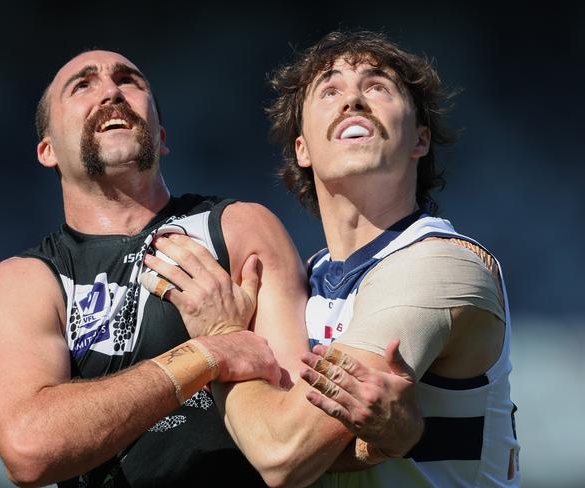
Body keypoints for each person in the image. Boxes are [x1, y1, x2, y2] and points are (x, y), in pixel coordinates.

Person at [144, 30, 520, 487]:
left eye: (377, 86)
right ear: (302, 148)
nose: (354, 100)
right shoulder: (310, 277)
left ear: (420, 140)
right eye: (330, 90)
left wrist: (223, 338)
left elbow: (282, 452)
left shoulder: (442, 266)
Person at [0, 49, 309, 487]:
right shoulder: (22, 283)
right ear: (47, 149)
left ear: (162, 136)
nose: (111, 91)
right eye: (83, 85)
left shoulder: (237, 229)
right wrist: (209, 354)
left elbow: (296, 431)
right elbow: (30, 450)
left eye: (129, 81)